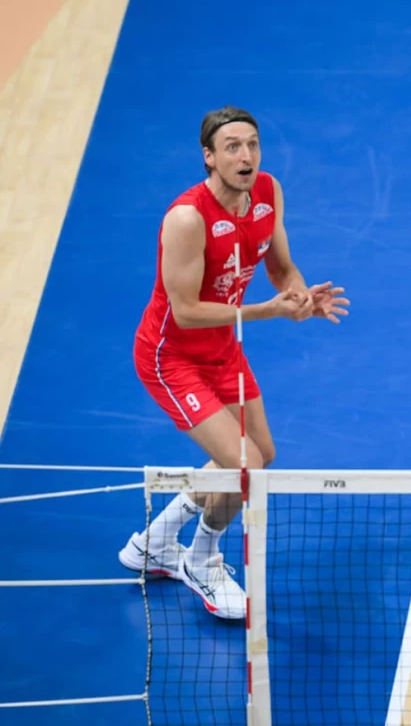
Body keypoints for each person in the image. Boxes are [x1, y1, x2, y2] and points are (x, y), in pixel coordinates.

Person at [119, 106, 349, 620]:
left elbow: (281, 265)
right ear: (209, 157)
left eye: (252, 145)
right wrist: (266, 312)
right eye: (232, 147)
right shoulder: (187, 218)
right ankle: (201, 559)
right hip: (172, 357)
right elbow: (186, 311)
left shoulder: (267, 192)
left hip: (222, 348)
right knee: (243, 465)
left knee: (259, 454)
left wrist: (299, 296)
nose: (245, 156)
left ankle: (155, 541)